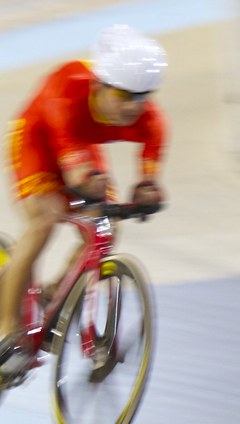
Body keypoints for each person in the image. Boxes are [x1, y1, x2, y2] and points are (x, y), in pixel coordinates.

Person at [0, 24, 167, 372]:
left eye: (142, 97)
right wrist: (80, 177)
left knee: (105, 228)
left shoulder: (148, 119)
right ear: (99, 85)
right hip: (37, 141)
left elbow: (152, 150)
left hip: (80, 147)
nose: (133, 107)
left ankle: (53, 296)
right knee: (46, 218)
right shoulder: (67, 87)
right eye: (124, 96)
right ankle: (6, 329)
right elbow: (70, 158)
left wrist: (147, 184)